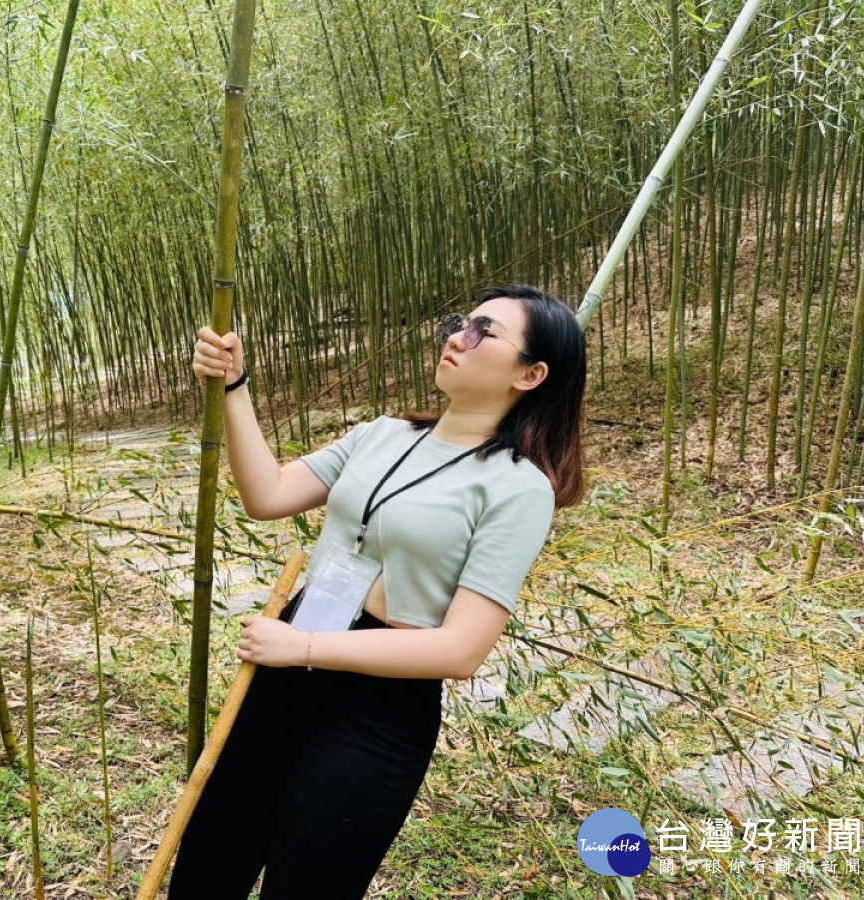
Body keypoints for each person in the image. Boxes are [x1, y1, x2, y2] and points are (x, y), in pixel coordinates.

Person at [170, 283, 587, 899]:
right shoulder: (382, 435)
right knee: (209, 862)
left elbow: (460, 651)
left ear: (531, 375)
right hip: (285, 666)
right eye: (458, 323)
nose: (456, 337)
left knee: (307, 886)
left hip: (374, 708)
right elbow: (269, 496)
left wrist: (304, 646)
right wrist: (234, 388)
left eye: (483, 332)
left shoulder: (518, 489)